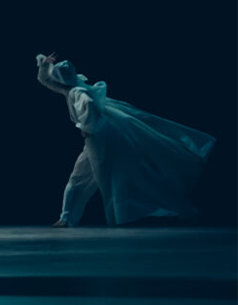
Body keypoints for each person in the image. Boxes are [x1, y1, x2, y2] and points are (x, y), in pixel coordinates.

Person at [36, 54, 214, 227]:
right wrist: (44, 64)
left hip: (100, 141)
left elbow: (88, 105)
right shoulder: (75, 85)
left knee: (86, 178)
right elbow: (49, 81)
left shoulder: (76, 91)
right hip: (107, 136)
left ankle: (67, 218)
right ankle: (67, 218)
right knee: (125, 176)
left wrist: (86, 127)